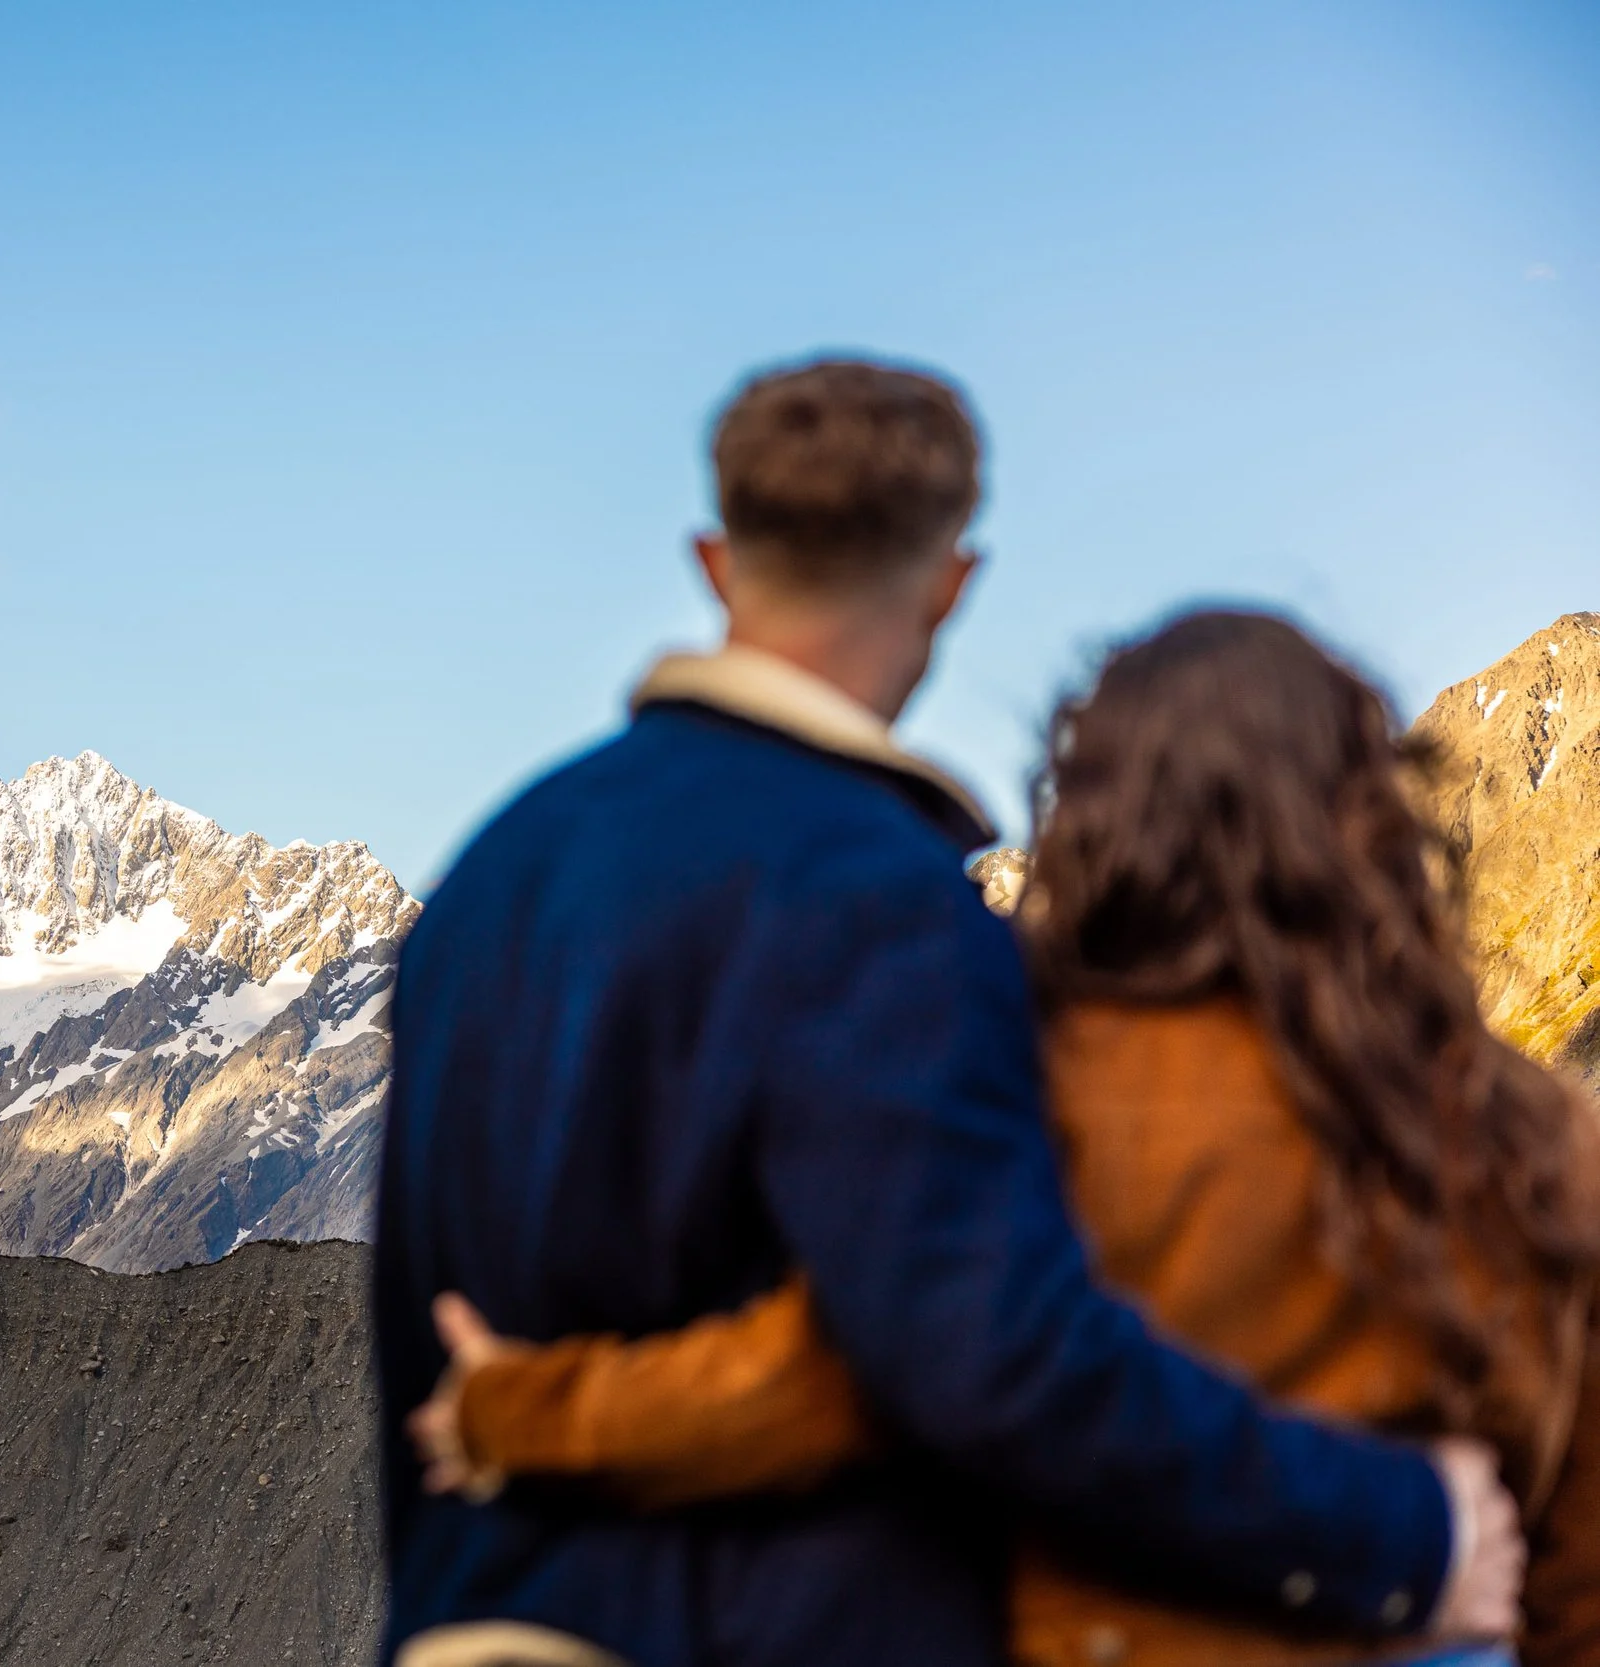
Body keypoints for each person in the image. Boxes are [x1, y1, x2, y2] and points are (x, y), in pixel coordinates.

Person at [372, 361, 1525, 1667]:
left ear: (715, 558)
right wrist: (1407, 1530)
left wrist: (516, 1414)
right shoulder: (877, 896)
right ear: (951, 581)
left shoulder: (485, 878)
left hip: (463, 1621)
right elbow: (982, 1354)